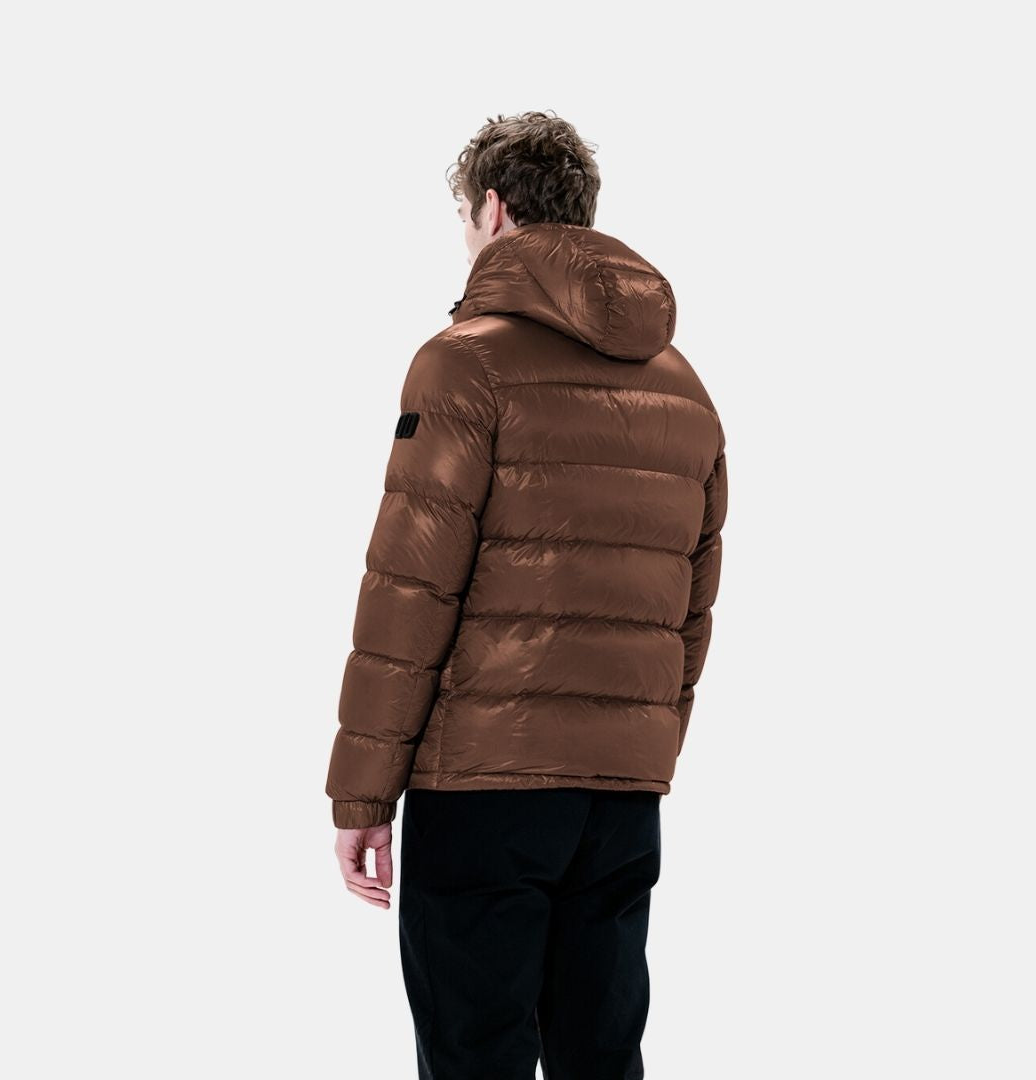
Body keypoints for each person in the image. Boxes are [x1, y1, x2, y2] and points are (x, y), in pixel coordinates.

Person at [326, 109, 728, 1079]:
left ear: (495, 209)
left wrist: (361, 794)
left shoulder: (463, 362)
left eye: (465, 217)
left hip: (483, 787)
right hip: (619, 801)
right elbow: (693, 603)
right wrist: (640, 753)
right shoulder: (684, 390)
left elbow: (409, 591)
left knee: (476, 1057)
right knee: (600, 1056)